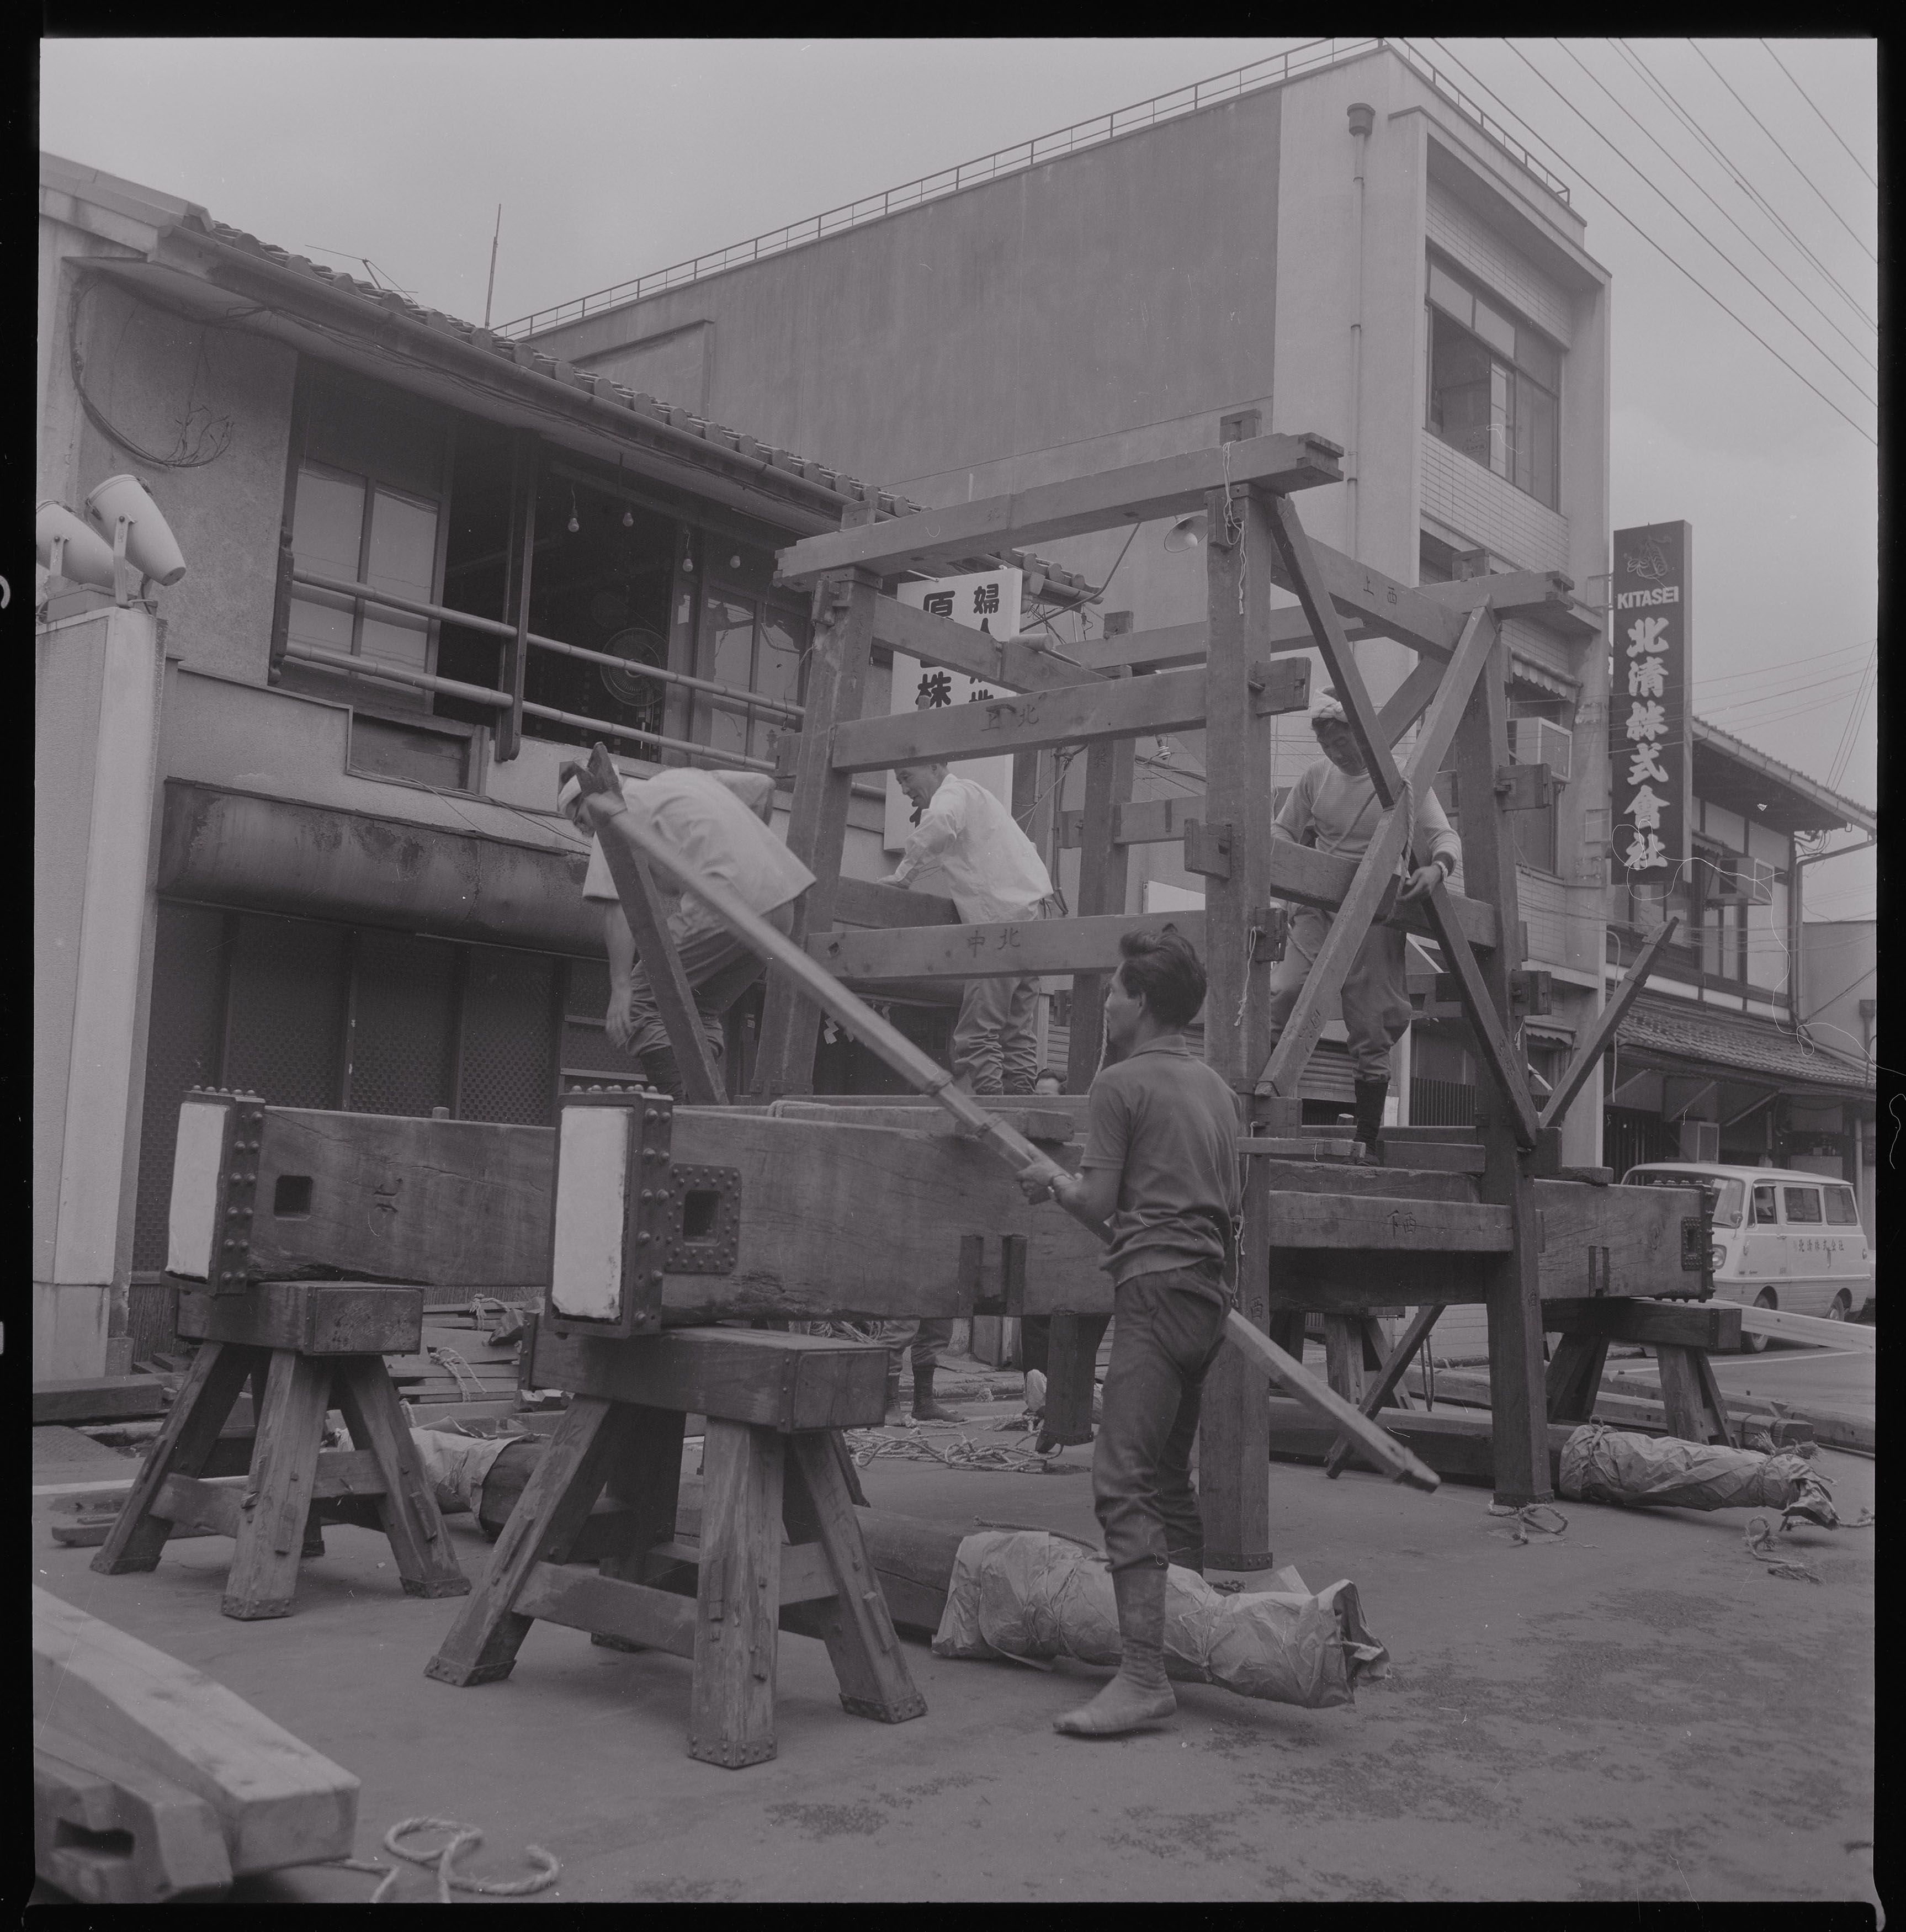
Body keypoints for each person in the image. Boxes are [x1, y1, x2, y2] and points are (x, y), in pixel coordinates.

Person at [1017, 926, 1241, 1737]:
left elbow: (1096, 1202)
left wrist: (1052, 1180)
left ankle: (1145, 1675)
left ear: (1141, 1001)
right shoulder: (1216, 1089)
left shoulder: (1119, 1084)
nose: (1107, 1002)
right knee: (1168, 1477)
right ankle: (1186, 1638)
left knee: (1121, 1479)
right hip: (1208, 1298)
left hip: (1153, 1290)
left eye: (1114, 990)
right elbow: (1226, 1203)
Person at [1264, 697, 1461, 1155]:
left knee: (1372, 1019)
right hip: (1318, 903)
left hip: (1376, 904)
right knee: (1285, 991)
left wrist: (1437, 869)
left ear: (1364, 736)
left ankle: (1366, 1139)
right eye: (1327, 745)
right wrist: (1291, 879)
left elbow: (1443, 835)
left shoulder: (1400, 778)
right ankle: (1266, 1118)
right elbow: (1281, 830)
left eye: (1342, 742)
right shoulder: (1316, 777)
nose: (1335, 752)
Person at [558, 760, 814, 1098]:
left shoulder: (611, 812)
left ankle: (683, 1106)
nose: (584, 831)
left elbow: (617, 907)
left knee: (643, 998)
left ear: (588, 799)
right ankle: (703, 1103)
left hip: (727, 903)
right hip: (781, 907)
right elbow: (762, 788)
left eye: (580, 821)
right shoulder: (682, 779)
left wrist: (620, 988)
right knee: (698, 1005)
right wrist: (744, 860)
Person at [885, 760, 1056, 1097]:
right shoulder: (981, 799)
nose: (904, 789)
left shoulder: (954, 794)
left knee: (977, 1034)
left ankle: (993, 1113)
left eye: (906, 777)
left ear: (934, 767)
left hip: (999, 926)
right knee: (1017, 1033)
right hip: (1030, 921)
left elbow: (939, 823)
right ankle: (1021, 1108)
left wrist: (904, 874)